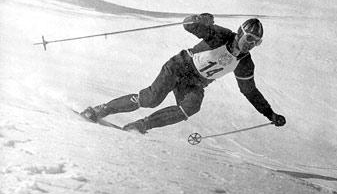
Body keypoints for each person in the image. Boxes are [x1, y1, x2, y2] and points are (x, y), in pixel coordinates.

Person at [80, 13, 286, 133]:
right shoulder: (221, 36)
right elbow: (188, 25)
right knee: (151, 98)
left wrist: (270, 114)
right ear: (240, 33)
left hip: (195, 83)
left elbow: (250, 91)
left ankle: (140, 126)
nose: (250, 44)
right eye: (249, 38)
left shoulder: (245, 64)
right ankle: (100, 110)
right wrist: (200, 20)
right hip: (179, 67)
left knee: (190, 107)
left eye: (256, 42)